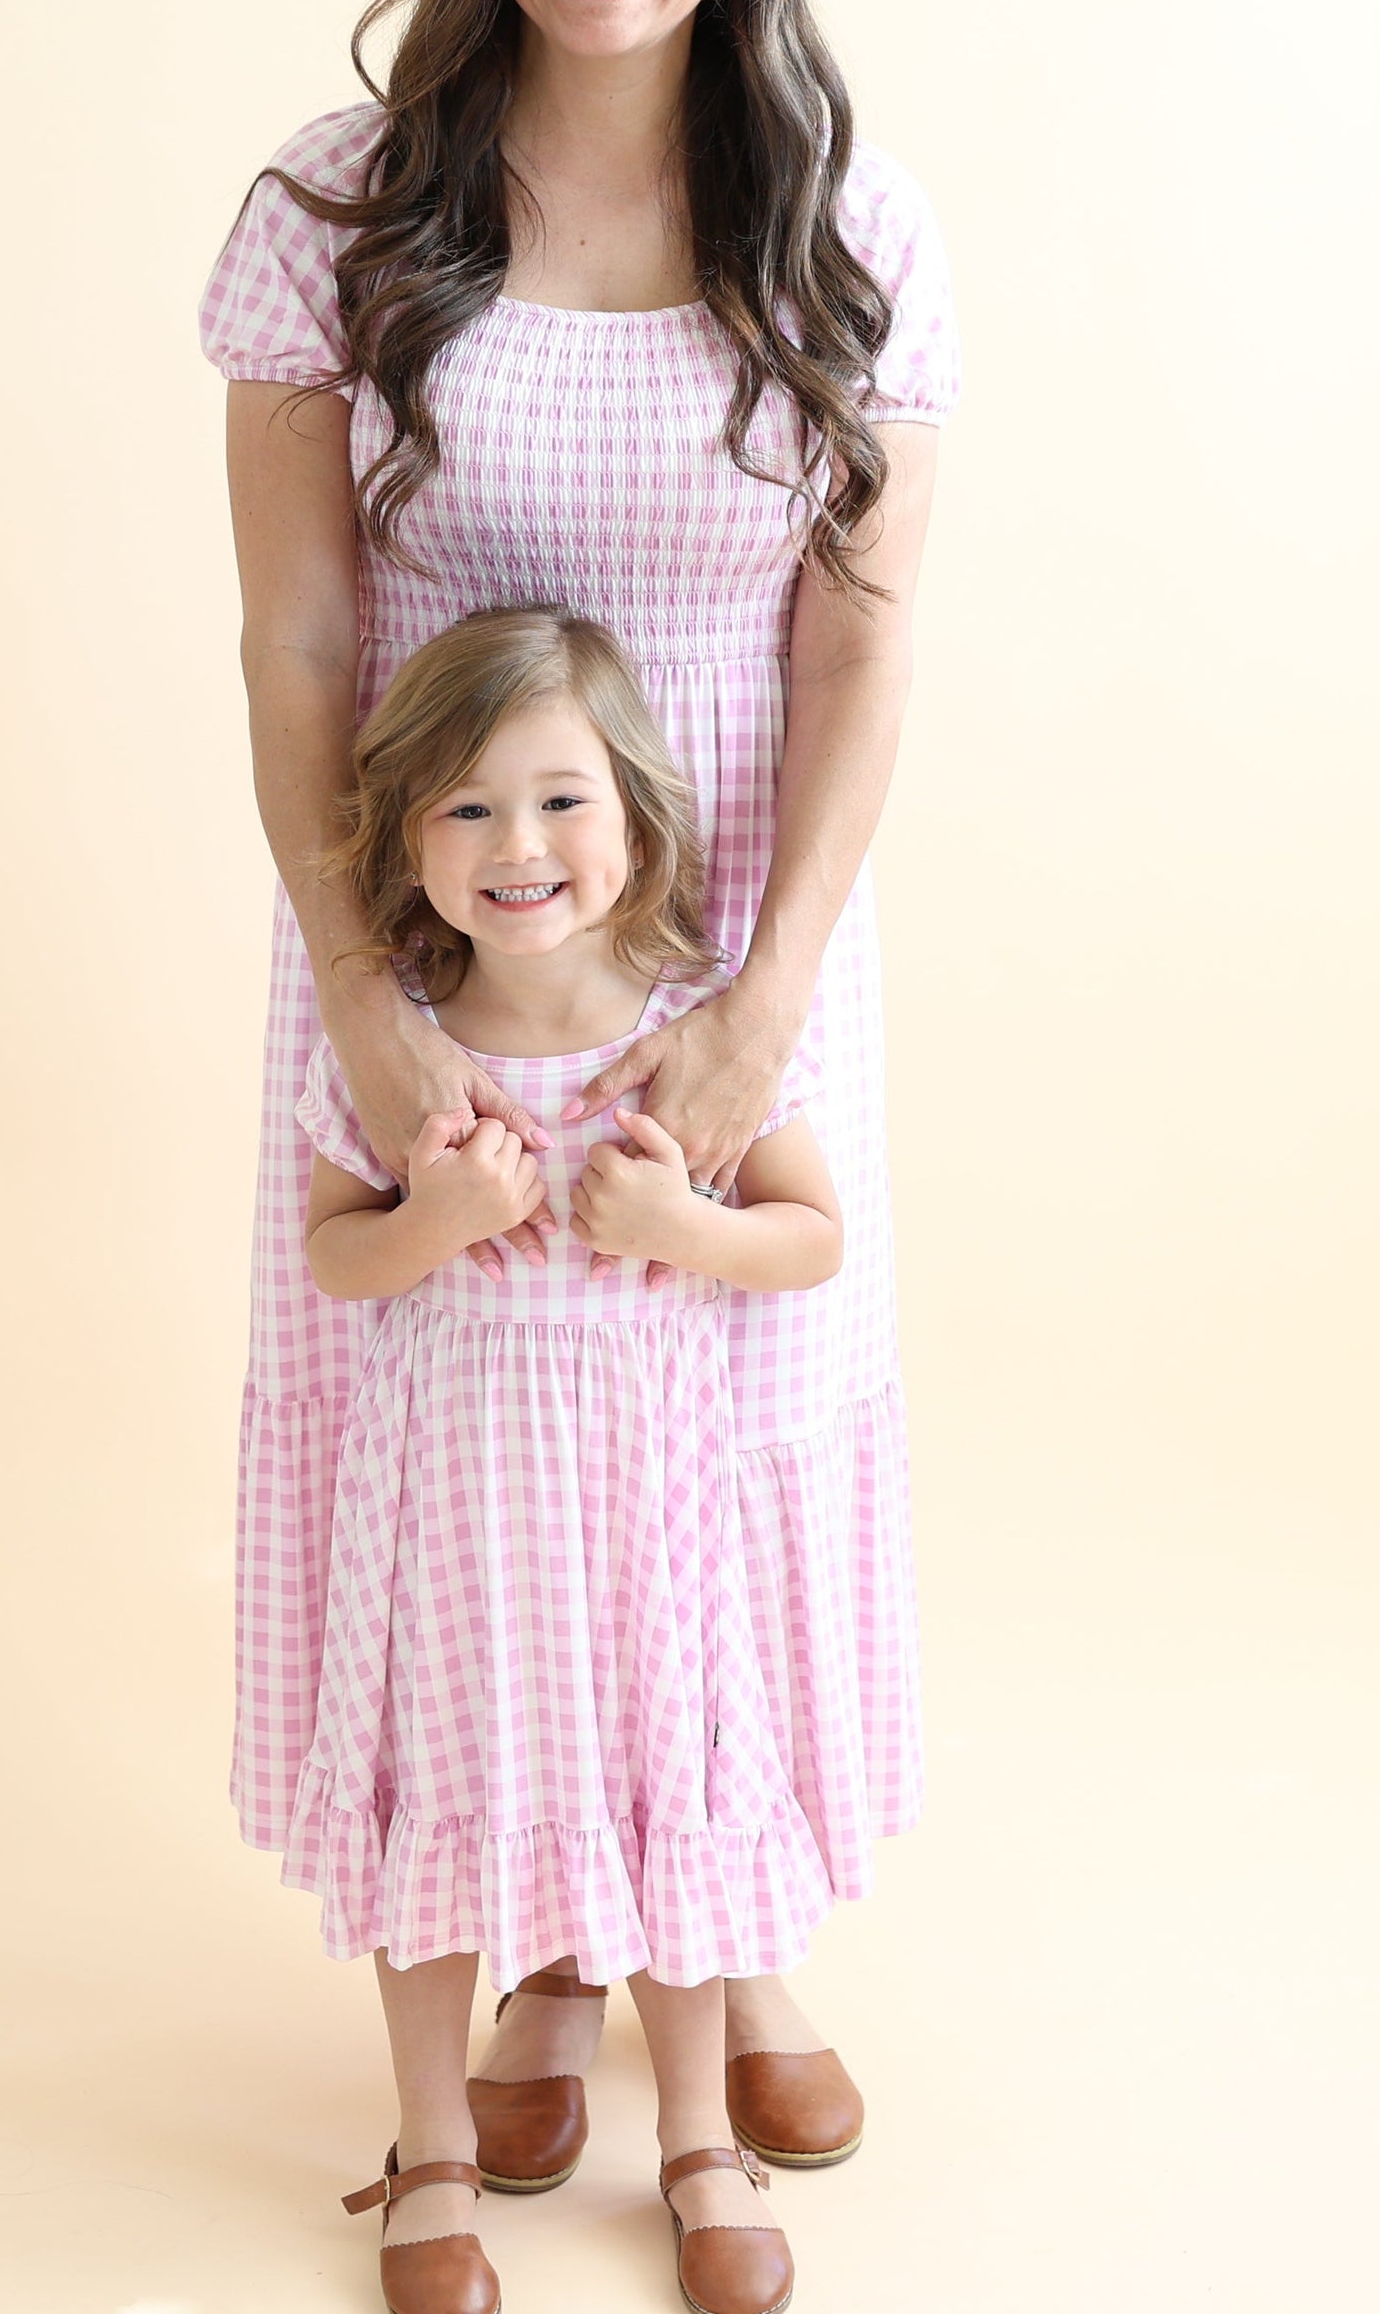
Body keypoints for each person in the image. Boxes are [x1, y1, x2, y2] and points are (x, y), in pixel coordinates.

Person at [197, 0, 960, 2200]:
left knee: (713, 1454)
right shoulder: (336, 209)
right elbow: (304, 638)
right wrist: (357, 1003)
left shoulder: (846, 227)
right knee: (486, 1443)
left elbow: (863, 635)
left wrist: (760, 1015)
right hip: (431, 966)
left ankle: (736, 1952)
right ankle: (528, 1951)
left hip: (742, 961)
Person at [297, 604, 833, 2314]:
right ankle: (434, 2147)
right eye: (463, 811)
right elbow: (334, 1255)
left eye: (555, 802)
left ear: (636, 816)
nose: (513, 848)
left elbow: (813, 1238)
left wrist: (683, 1224)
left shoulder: (689, 1035)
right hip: (452, 1535)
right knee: (440, 1820)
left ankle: (693, 2138)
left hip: (643, 1529)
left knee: (670, 1805)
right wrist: (437, 1213)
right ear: (405, 838)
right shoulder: (402, 1051)